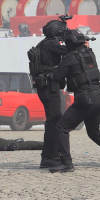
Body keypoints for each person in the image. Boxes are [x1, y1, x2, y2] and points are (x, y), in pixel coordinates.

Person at [49, 29, 100, 173]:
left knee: (61, 127)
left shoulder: (70, 58)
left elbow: (58, 76)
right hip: (98, 96)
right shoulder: (90, 53)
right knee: (93, 131)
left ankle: (66, 163)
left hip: (85, 99)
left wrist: (52, 71)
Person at [32, 18, 70, 169]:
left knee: (53, 120)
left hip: (46, 85)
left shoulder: (44, 43)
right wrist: (74, 39)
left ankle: (52, 155)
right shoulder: (51, 44)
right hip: (49, 86)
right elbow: (68, 50)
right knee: (54, 120)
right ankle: (49, 156)